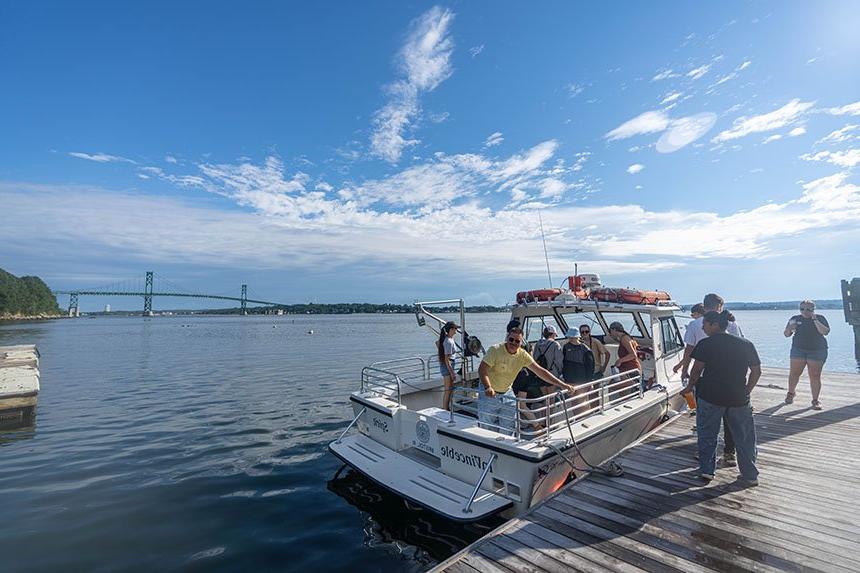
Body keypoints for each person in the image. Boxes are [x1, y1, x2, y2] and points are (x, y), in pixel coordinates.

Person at [684, 310, 761, 484]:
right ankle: (750, 475)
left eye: (705, 324)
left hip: (710, 396)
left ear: (715, 325)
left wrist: (689, 387)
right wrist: (747, 390)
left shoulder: (706, 344)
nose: (703, 327)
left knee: (707, 435)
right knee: (744, 438)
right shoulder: (746, 344)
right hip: (738, 398)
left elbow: (696, 371)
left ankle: (707, 471)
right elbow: (756, 371)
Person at [673, 293, 744, 466]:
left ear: (704, 307)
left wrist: (684, 371)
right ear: (720, 307)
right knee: (728, 417)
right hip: (729, 377)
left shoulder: (695, 324)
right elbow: (741, 347)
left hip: (703, 376)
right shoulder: (731, 324)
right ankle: (729, 452)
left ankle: (704, 451)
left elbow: (689, 350)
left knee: (704, 417)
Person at [478, 327, 573, 435]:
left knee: (509, 427)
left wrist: (562, 384)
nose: (513, 343)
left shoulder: (522, 355)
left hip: (507, 392)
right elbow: (482, 369)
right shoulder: (495, 350)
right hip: (489, 392)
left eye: (517, 341)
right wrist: (487, 387)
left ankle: (505, 448)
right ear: (507, 338)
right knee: (487, 427)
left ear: (521, 342)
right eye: (511, 339)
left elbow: (541, 371)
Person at [784, 300, 830, 409]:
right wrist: (790, 328)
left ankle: (815, 400)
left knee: (815, 376)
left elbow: (825, 332)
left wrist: (815, 320)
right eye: (802, 309)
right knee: (794, 373)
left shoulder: (820, 318)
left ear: (813, 309)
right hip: (798, 349)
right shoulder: (795, 318)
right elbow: (786, 334)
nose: (805, 311)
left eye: (808, 309)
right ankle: (791, 393)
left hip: (817, 350)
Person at [438, 321, 459, 410]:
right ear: (451, 329)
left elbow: (437, 343)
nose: (456, 331)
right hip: (448, 366)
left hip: (448, 365)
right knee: (447, 390)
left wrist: (441, 351)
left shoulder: (447, 339)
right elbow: (447, 359)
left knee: (450, 389)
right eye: (455, 329)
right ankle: (445, 409)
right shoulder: (448, 341)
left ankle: (447, 408)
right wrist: (452, 373)